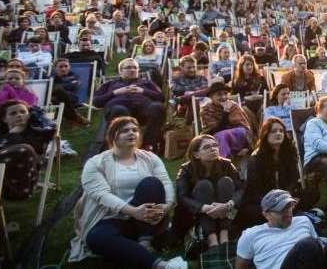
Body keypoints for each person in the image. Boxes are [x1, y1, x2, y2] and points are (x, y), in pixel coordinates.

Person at [69, 117, 183, 268]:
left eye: (135, 130)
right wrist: (133, 211)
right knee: (96, 238)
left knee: (151, 183)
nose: (131, 133)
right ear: (113, 135)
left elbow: (165, 182)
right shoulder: (95, 163)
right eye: (125, 130)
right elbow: (101, 195)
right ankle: (160, 265)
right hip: (111, 217)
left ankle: (145, 240)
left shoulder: (150, 158)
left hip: (149, 219)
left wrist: (167, 206)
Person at [235, 189, 327, 269]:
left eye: (289, 207)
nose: (288, 212)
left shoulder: (303, 220)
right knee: (307, 244)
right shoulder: (251, 235)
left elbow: (317, 248)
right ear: (266, 214)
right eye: (281, 209)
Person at [175, 134, 243, 248]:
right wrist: (204, 207)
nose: (213, 148)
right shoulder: (186, 169)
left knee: (226, 182)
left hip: (225, 210)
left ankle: (224, 235)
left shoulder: (227, 164)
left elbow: (241, 188)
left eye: (215, 145)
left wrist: (228, 205)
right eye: (207, 147)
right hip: (198, 212)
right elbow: (182, 197)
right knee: (204, 186)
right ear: (196, 154)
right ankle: (211, 238)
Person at [240, 117, 301, 227]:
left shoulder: (290, 152)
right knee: (249, 212)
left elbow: (293, 180)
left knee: (311, 195)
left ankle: (283, 214)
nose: (278, 134)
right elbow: (254, 191)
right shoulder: (256, 158)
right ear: (265, 134)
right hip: (263, 201)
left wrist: (287, 199)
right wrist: (275, 204)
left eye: (281, 131)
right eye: (273, 131)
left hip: (285, 197)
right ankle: (281, 215)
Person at [93, 59, 166, 150]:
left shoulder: (147, 83)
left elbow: (161, 98)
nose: (132, 70)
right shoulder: (110, 84)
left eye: (135, 68)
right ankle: (118, 146)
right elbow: (96, 102)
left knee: (158, 107)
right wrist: (116, 92)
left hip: (143, 111)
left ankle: (148, 145)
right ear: (120, 71)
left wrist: (143, 91)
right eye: (128, 67)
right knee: (119, 110)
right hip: (119, 111)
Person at [0, 100, 55, 199]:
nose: (19, 115)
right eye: (13, 113)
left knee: (25, 149)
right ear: (4, 119)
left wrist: (13, 135)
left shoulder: (38, 135)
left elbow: (36, 160)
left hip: (18, 185)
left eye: (23, 112)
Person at [199, 81, 252, 158]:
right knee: (221, 135)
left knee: (228, 133)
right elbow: (214, 130)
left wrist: (248, 147)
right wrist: (226, 112)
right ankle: (225, 160)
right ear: (211, 97)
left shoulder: (234, 106)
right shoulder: (206, 110)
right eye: (219, 94)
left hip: (238, 138)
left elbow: (244, 127)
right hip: (217, 140)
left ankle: (225, 160)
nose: (223, 97)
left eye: (225, 94)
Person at [51, 58, 92, 126]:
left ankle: (73, 118)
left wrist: (59, 86)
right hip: (58, 99)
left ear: (69, 67)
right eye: (60, 67)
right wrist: (67, 85)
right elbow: (50, 88)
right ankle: (76, 117)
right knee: (55, 99)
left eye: (66, 66)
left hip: (72, 98)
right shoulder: (52, 77)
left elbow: (74, 86)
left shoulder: (74, 76)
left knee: (57, 90)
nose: (63, 69)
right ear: (55, 68)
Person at [170, 55, 208, 122]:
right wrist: (194, 90)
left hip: (202, 102)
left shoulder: (201, 78)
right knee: (195, 100)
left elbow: (204, 89)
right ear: (181, 67)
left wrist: (187, 91)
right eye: (189, 67)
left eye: (194, 67)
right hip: (183, 104)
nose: (192, 70)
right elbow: (175, 89)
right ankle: (191, 123)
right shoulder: (176, 78)